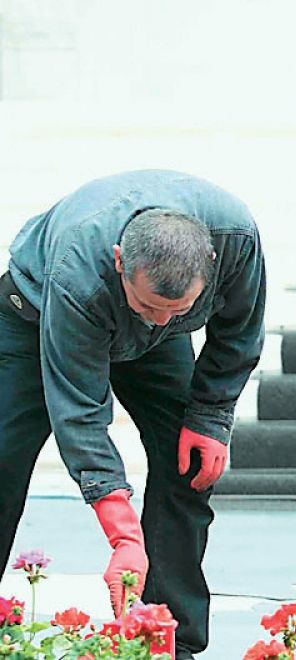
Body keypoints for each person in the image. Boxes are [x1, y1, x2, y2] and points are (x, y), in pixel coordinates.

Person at [0, 170, 266, 659]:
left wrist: (209, 417)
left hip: (151, 348)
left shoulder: (236, 241)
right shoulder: (78, 270)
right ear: (121, 261)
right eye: (149, 304)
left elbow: (239, 333)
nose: (160, 318)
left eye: (177, 309)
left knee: (187, 466)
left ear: (210, 265)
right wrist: (123, 535)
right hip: (35, 313)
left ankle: (167, 638)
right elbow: (80, 410)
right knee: (2, 462)